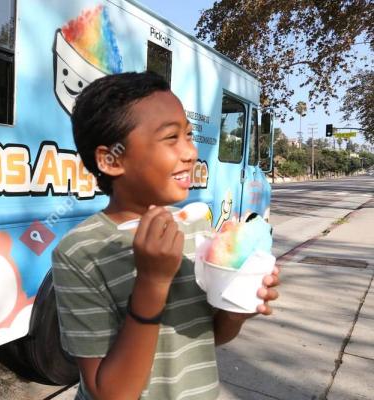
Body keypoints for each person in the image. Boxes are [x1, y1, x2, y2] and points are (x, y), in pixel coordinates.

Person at [51, 72, 279, 400]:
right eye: (171, 138)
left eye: (188, 134)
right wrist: (152, 282)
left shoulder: (197, 228)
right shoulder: (80, 253)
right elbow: (109, 392)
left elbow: (207, 336)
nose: (190, 152)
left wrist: (237, 308)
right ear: (111, 160)